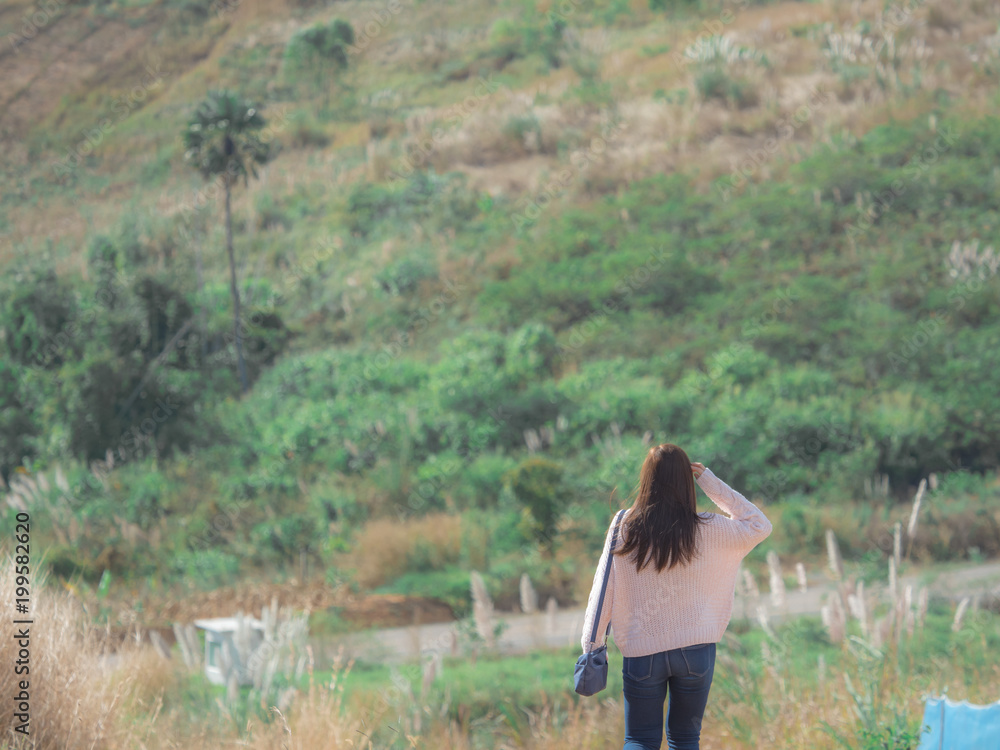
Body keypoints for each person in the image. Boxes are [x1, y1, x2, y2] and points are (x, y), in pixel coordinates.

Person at [580, 443, 772, 750]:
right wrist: (710, 481)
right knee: (685, 739)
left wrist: (592, 645)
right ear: (687, 481)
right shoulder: (713, 528)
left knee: (639, 739)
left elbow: (603, 588)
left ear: (646, 480)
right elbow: (759, 525)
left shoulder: (624, 525)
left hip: (642, 651)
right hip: (696, 652)